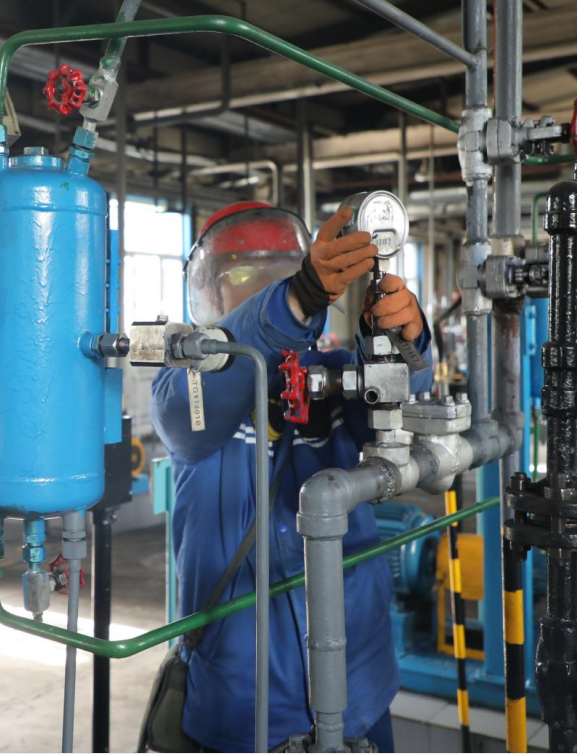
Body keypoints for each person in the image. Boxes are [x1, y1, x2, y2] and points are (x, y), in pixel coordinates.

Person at [151, 201, 433, 751]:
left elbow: (398, 412)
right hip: (242, 706)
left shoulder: (335, 376)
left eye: (278, 274)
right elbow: (186, 416)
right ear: (210, 293)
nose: (261, 289)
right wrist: (295, 297)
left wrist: (401, 341)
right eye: (242, 277)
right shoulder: (184, 388)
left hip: (359, 688)